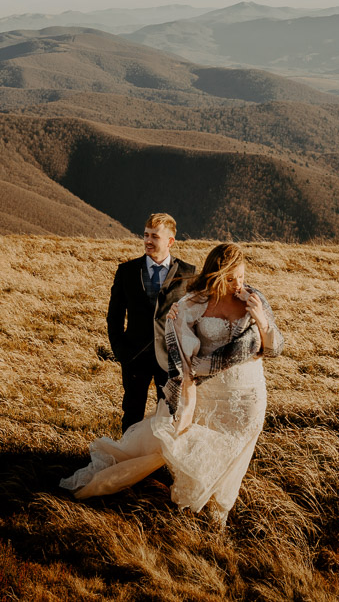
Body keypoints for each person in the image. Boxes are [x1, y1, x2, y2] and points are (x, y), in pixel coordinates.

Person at [62, 243, 284, 525]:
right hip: (208, 392)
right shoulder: (194, 304)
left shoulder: (254, 299)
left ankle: (218, 511)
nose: (237, 284)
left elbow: (275, 348)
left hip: (249, 394)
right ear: (215, 274)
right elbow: (180, 347)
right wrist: (175, 323)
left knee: (236, 452)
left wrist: (261, 319)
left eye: (241, 276)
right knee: (192, 446)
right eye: (230, 278)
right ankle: (192, 503)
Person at [106, 213, 195, 432]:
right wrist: (120, 350)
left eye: (155, 236)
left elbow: (194, 318)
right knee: (132, 414)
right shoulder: (127, 271)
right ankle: (128, 453)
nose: (148, 240)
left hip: (171, 359)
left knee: (168, 416)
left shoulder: (188, 273)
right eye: (146, 235)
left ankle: (160, 453)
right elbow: (114, 315)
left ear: (170, 241)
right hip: (134, 356)